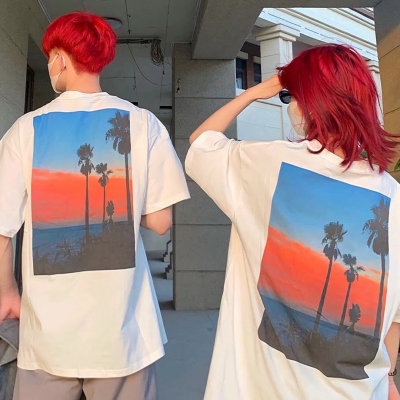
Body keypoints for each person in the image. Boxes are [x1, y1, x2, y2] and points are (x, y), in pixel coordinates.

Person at [185, 44, 400, 399]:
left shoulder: (268, 163)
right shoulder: (393, 195)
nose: (291, 106)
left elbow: (200, 143)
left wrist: (257, 91)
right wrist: (388, 379)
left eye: (291, 95)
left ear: (311, 102)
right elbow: (393, 318)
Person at [0, 11, 189, 400]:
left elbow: (2, 229)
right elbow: (160, 222)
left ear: (60, 59)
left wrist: (7, 291)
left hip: (47, 337)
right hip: (123, 333)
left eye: (50, 57)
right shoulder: (144, 123)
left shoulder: (25, 129)